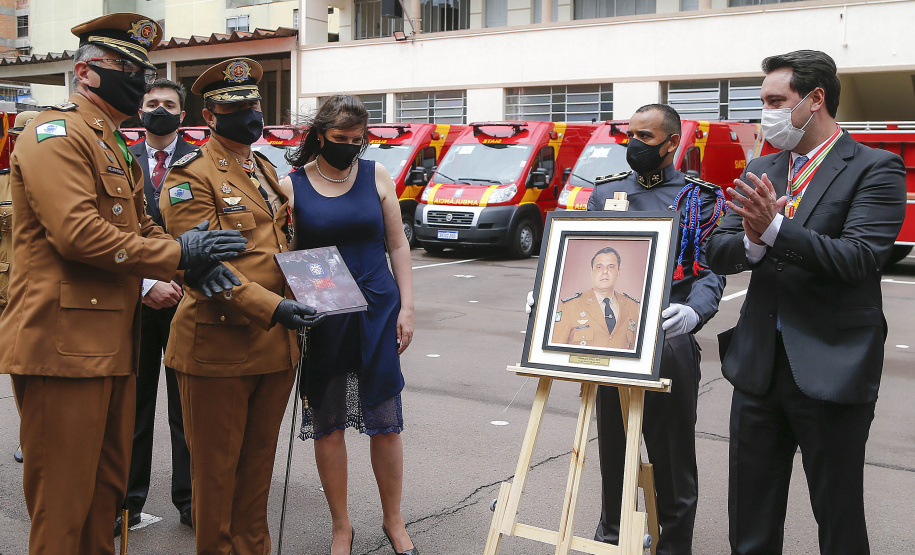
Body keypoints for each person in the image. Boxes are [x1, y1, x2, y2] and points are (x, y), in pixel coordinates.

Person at [0, 14, 247, 555]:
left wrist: (191, 263)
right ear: (84, 71)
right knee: (63, 505)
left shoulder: (112, 141)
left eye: (143, 70)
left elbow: (142, 226)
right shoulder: (55, 132)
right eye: (127, 69)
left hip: (110, 342)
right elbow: (78, 234)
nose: (140, 81)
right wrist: (177, 252)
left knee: (105, 495)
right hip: (61, 346)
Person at [706, 50, 906, 555]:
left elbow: (860, 258)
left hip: (830, 365)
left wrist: (774, 227)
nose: (766, 114)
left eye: (777, 101)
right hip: (758, 368)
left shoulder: (875, 167)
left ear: (815, 99)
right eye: (763, 102)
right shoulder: (762, 165)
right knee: (748, 518)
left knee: (838, 519)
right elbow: (720, 248)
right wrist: (753, 238)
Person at [158, 57, 322, 554]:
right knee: (217, 477)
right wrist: (273, 308)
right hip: (219, 347)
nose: (250, 114)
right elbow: (198, 268)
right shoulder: (191, 175)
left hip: (275, 349)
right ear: (210, 116)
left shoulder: (265, 168)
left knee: (257, 474)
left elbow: (281, 247)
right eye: (237, 107)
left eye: (254, 104)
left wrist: (319, 288)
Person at [587, 104, 727, 554]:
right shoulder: (606, 193)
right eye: (630, 135)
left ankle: (673, 543)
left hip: (669, 337)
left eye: (645, 138)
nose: (634, 145)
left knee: (671, 455)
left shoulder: (698, 198)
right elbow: (583, 254)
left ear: (672, 143)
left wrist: (695, 313)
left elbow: (711, 271)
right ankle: (613, 535)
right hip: (614, 337)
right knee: (613, 450)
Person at [283, 94, 416, 555]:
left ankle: (394, 522)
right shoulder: (291, 185)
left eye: (358, 140)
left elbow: (398, 245)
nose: (350, 147)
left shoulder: (375, 173)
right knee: (329, 420)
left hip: (378, 306)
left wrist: (408, 307)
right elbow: (289, 256)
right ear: (320, 134)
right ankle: (342, 526)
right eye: (341, 139)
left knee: (385, 419)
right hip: (325, 309)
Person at [118, 78, 196, 534]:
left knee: (187, 405)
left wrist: (181, 280)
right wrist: (147, 282)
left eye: (169, 105)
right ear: (140, 111)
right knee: (136, 404)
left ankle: (191, 500)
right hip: (139, 298)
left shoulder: (201, 160)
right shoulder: (121, 158)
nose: (160, 110)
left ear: (182, 116)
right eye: (153, 104)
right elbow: (118, 232)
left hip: (189, 299)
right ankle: (127, 501)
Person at [2, 110, 39, 465]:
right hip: (7, 291)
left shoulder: (65, 178)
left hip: (43, 289)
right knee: (20, 369)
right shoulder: (2, 183)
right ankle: (30, 433)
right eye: (18, 135)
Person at [551, 246, 640, 349]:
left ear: (618, 271)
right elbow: (555, 351)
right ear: (592, 272)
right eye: (599, 267)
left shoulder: (632, 306)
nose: (605, 271)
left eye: (611, 266)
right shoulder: (570, 306)